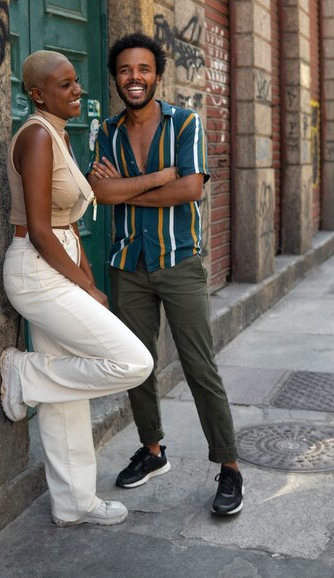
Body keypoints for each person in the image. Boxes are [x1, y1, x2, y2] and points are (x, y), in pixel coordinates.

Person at [0, 50, 161, 527]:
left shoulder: (60, 136)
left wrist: (88, 279)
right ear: (37, 94)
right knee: (134, 362)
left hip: (58, 263)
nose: (79, 91)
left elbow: (67, 224)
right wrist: (86, 289)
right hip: (36, 269)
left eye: (76, 82)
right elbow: (42, 228)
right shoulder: (36, 138)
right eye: (66, 85)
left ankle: (74, 504)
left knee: (67, 396)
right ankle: (24, 374)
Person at [87, 33, 244, 516]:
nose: (135, 78)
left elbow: (191, 188)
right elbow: (101, 194)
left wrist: (124, 189)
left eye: (144, 69)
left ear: (157, 74)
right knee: (138, 363)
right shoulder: (107, 132)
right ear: (116, 78)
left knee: (200, 367)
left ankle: (231, 467)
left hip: (178, 262)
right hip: (128, 265)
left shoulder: (185, 123)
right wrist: (158, 178)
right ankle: (153, 451)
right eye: (125, 70)